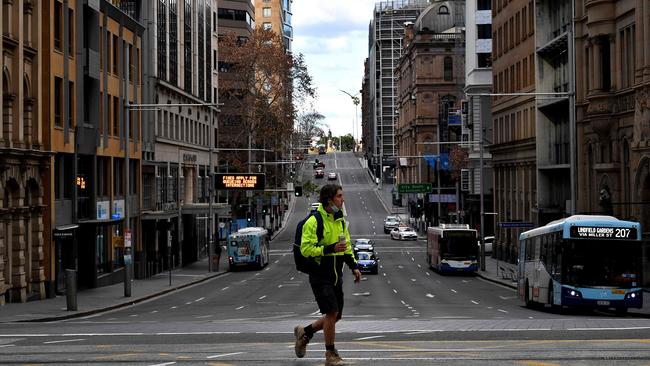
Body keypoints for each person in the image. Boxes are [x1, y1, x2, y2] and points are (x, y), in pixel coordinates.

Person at [294, 184, 361, 366]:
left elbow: (345, 244)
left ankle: (305, 332)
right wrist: (330, 249)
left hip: (335, 274)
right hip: (319, 273)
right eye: (339, 196)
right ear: (329, 200)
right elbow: (307, 249)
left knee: (336, 315)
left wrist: (353, 266)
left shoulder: (339, 219)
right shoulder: (314, 221)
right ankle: (330, 354)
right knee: (331, 312)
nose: (342, 199)